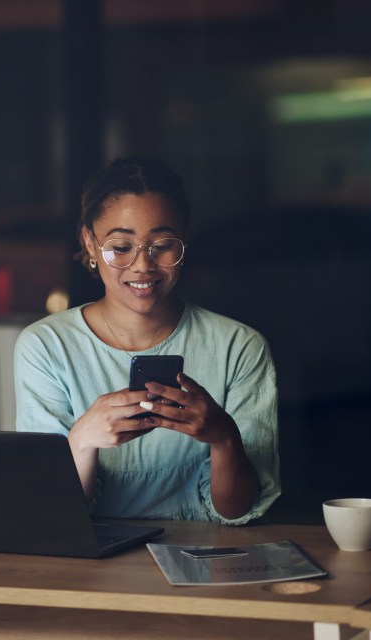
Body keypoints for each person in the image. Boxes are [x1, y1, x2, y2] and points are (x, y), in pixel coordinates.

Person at [14, 156, 279, 524]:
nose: (143, 265)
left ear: (185, 238)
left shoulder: (239, 347)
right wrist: (83, 439)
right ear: (89, 243)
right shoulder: (46, 347)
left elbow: (234, 511)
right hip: (90, 567)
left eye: (163, 244)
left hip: (207, 560)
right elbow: (53, 513)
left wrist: (224, 438)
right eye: (121, 247)